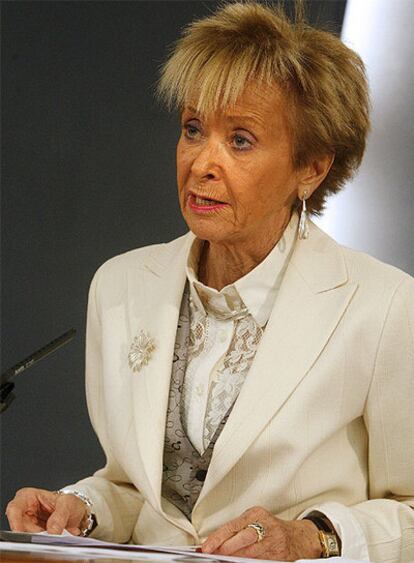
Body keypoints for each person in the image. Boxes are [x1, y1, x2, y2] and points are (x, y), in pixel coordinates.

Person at [6, 2, 414, 561]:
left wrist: (312, 536)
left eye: (240, 140)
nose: (202, 163)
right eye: (194, 130)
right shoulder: (120, 287)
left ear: (312, 167)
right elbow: (140, 491)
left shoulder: (384, 306)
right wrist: (83, 506)